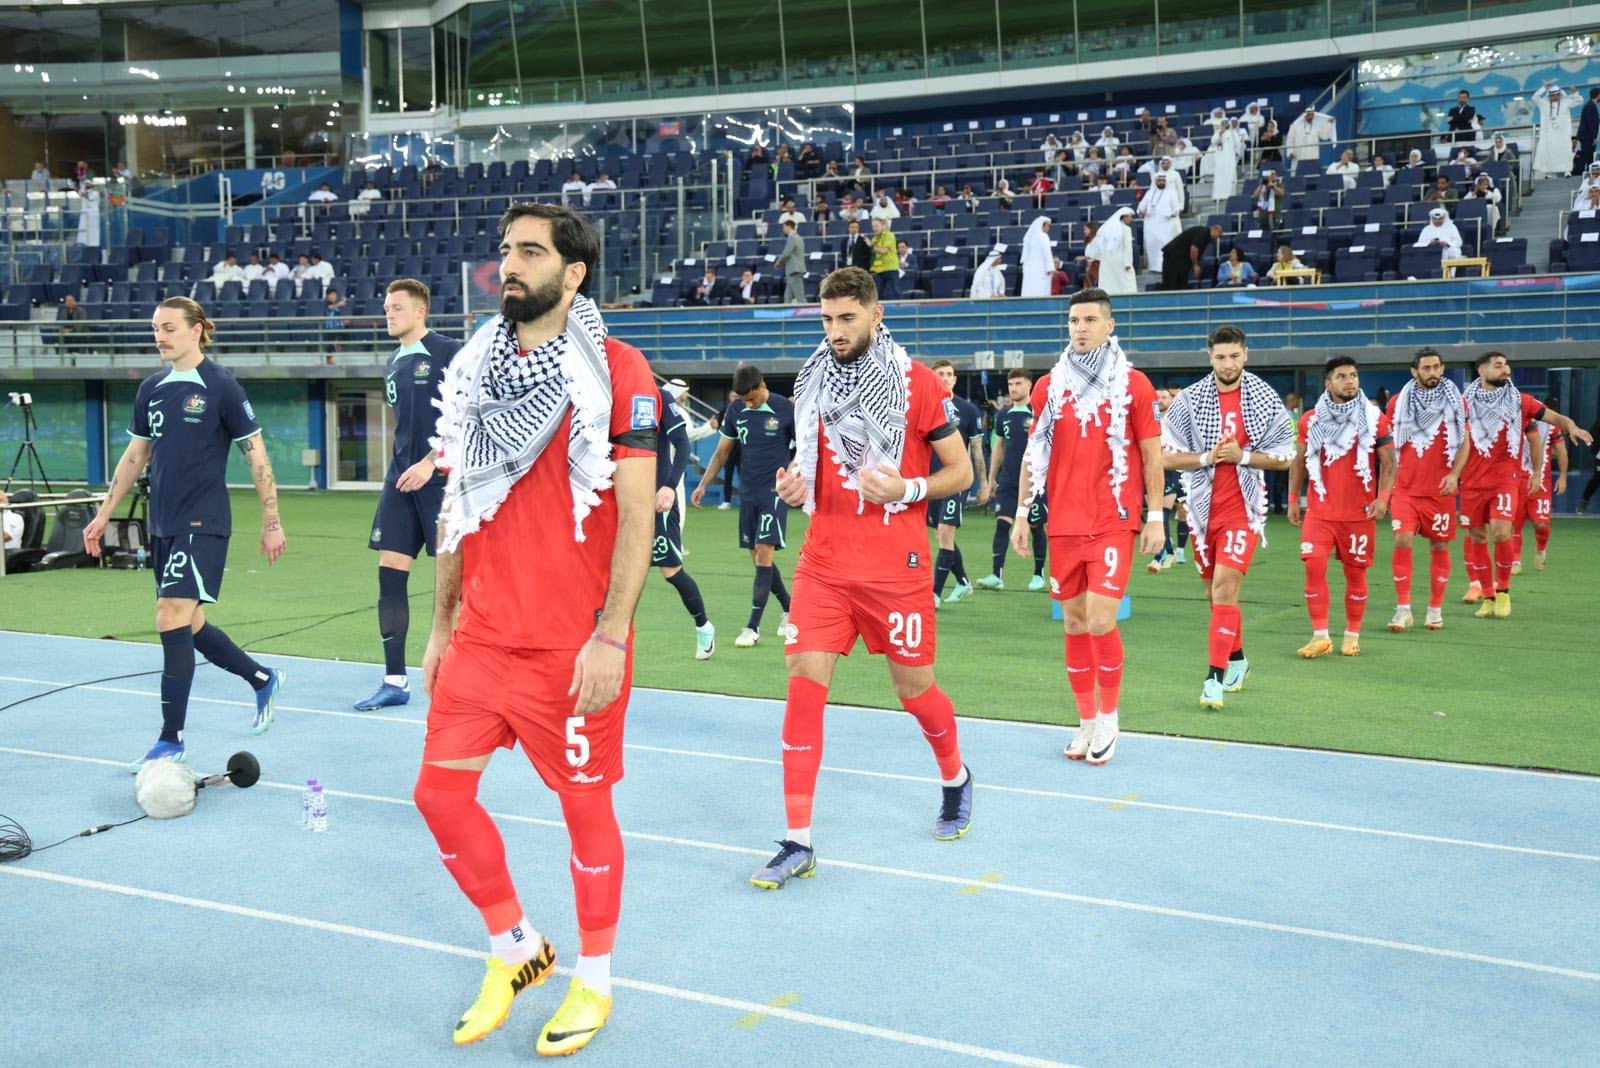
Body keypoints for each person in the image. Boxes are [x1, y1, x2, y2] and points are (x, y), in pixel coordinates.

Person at [415, 203, 655, 1057]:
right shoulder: (475, 367)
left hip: (571, 643)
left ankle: (596, 978)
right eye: (505, 251)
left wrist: (612, 635)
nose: (508, 265)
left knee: (585, 812)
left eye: (529, 252)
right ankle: (516, 947)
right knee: (439, 797)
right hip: (482, 636)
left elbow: (637, 516)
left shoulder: (619, 370)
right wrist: (441, 626)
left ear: (573, 273)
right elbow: (458, 504)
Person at [748, 267, 974, 890]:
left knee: (914, 690)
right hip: (824, 563)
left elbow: (961, 472)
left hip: (896, 570)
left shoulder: (918, 383)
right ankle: (798, 840)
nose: (835, 331)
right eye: (827, 319)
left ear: (876, 315)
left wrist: (908, 489)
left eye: (846, 318)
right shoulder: (813, 381)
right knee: (803, 685)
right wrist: (796, 488)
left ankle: (955, 777)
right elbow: (810, 468)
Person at [82, 297, 287, 768]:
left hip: (203, 522)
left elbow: (256, 456)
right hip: (163, 524)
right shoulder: (150, 389)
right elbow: (135, 456)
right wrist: (105, 512)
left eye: (169, 328)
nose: (160, 337)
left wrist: (272, 522)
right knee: (189, 624)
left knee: (168, 614)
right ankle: (262, 678)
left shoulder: (221, 386)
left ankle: (170, 740)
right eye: (156, 328)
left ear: (196, 330)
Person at [1011, 288, 1162, 763]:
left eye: (1090, 320)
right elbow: (1034, 453)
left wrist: (1155, 516)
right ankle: (1086, 721)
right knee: (1074, 623)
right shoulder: (1048, 386)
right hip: (1064, 522)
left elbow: (1151, 456)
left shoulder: (1134, 385)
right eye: (1074, 320)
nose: (1080, 328)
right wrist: (1022, 512)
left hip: (1114, 519)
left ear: (1109, 326)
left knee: (1100, 619)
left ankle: (1110, 717)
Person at [1159, 326, 1295, 710]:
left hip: (1243, 511)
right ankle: (1237, 658)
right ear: (1210, 358)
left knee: (1223, 590)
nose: (1228, 363)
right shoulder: (1190, 400)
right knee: (1215, 595)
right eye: (1221, 357)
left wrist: (1243, 457)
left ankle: (1213, 679)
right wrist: (1208, 457)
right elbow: (1166, 456)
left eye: (1235, 356)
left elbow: (1286, 457)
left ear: (1245, 354)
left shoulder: (1264, 397)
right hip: (1202, 512)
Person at [354, 278, 462, 711]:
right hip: (400, 481)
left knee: (458, 584)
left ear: (421, 311)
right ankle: (394, 681)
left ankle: (469, 678)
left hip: (442, 480)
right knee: (390, 573)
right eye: (386, 308)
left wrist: (432, 462)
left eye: (397, 307)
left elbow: (469, 416)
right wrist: (408, 466)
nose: (389, 313)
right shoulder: (393, 362)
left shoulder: (449, 352)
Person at [1452, 351, 1591, 617]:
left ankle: (1503, 592)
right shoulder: (1462, 403)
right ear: (1481, 371)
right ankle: (1488, 596)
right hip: (1471, 482)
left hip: (1505, 480)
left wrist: (1571, 427)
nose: (1505, 369)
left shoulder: (1520, 401)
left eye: (1506, 365)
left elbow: (1556, 419)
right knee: (1477, 537)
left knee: (1501, 531)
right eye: (1498, 365)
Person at [1288, 356, 1395, 658]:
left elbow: (1389, 463)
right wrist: (1294, 499)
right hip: (1320, 512)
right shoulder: (1310, 420)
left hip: (1359, 514)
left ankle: (1352, 635)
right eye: (1342, 376)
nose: (1350, 381)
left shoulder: (1374, 418)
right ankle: (1320, 636)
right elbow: (1299, 461)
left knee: (1355, 575)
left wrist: (1383, 498)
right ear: (1328, 383)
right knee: (1314, 566)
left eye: (1354, 375)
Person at [690, 367, 797, 647]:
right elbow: (722, 452)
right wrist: (702, 484)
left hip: (774, 492)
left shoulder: (785, 409)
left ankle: (752, 627)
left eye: (752, 399)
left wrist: (791, 474)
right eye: (743, 400)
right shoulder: (736, 410)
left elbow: (802, 449)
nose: (748, 404)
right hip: (748, 495)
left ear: (763, 385)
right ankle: (790, 608)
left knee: (764, 552)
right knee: (759, 558)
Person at [1382, 348, 1467, 634]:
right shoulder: (1398, 402)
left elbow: (1465, 441)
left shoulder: (1456, 401)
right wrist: (1384, 489)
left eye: (1436, 367)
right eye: (1426, 368)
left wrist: (1455, 474)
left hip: (1440, 490)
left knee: (1439, 546)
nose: (1432, 373)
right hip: (1405, 488)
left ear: (1442, 368)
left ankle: (1435, 609)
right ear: (1414, 371)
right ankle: (1403, 609)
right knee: (1402, 539)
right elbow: (1387, 447)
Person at [652, 382, 716, 659]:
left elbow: (682, 442)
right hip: (623, 499)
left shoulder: (659, 398)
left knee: (671, 571)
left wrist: (669, 485)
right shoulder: (608, 397)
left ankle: (703, 626)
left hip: (658, 496)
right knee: (615, 571)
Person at [977, 368, 1048, 592]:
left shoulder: (1039, 412)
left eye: (1018, 384)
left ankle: (1038, 574)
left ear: (1029, 385)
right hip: (1008, 480)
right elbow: (998, 448)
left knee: (1035, 525)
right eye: (1011, 384)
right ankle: (996, 575)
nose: (1013, 388)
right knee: (1002, 523)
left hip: (1034, 481)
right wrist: (992, 479)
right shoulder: (1003, 415)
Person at [928, 359, 988, 606]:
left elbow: (977, 449)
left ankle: (934, 595)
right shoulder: (924, 406)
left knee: (944, 532)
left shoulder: (968, 410)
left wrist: (983, 484)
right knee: (942, 536)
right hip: (932, 482)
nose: (944, 378)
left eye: (948, 374)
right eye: (939, 374)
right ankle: (963, 581)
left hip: (957, 480)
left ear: (954, 379)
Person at [1512, 407, 1566, 574]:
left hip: (1541, 482)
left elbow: (1562, 451)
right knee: (1514, 524)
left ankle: (1541, 549)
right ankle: (1515, 561)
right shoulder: (1514, 423)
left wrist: (1563, 477)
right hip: (1517, 481)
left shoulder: (1551, 427)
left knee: (1541, 524)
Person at [1084, 207, 1137, 295]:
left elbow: (1097, 245)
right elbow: (1128, 248)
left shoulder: (1106, 228)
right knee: (1127, 287)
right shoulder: (1126, 229)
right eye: (1130, 217)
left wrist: (1092, 256)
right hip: (1121, 263)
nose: (1131, 219)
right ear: (1124, 217)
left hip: (1107, 263)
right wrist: (1128, 263)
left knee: (1109, 287)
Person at [1138, 174, 1183, 273]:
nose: (1161, 182)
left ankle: (1164, 267)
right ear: (1156, 182)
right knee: (1152, 245)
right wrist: (1141, 211)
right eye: (1159, 181)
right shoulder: (1149, 193)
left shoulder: (1171, 192)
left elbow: (1176, 208)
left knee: (1164, 245)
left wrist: (1173, 213)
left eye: (1163, 181)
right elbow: (1141, 207)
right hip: (1151, 224)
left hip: (1165, 224)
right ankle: (1154, 267)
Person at [1532, 83, 1578, 178]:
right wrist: (1544, 87)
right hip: (1548, 135)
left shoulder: (1565, 102)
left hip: (1563, 134)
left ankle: (1567, 171)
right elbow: (1534, 98)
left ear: (1560, 94)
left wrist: (1574, 92)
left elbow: (1579, 100)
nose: (1555, 97)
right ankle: (1549, 173)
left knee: (1565, 151)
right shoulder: (1543, 103)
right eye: (1552, 95)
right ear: (1549, 95)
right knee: (1548, 152)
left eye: (1557, 95)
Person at [1161, 223, 1223, 291]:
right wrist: (1195, 265)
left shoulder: (1207, 238)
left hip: (1182, 262)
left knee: (1181, 287)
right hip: (1173, 258)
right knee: (1170, 286)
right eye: (1219, 235)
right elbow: (1194, 248)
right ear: (1214, 230)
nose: (1218, 238)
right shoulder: (1203, 232)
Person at [1020, 216, 1054, 297]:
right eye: (1048, 226)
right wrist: (1050, 268)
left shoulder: (1030, 238)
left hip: (1029, 270)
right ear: (1042, 226)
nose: (1049, 228)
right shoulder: (1043, 236)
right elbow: (1047, 253)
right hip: (1041, 269)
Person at [1211, 119, 1242, 205]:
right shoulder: (1218, 133)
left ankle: (1230, 195)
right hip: (1220, 159)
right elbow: (1213, 141)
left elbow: (1238, 144)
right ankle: (1218, 195)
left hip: (1230, 159)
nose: (1224, 125)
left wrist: (1237, 153)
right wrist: (1220, 134)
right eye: (1223, 124)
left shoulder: (1233, 133)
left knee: (1230, 175)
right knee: (1220, 176)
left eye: (1225, 123)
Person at [775, 219, 806, 304]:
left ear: (789, 227)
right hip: (793, 270)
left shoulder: (792, 237)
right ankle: (786, 311)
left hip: (794, 270)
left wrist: (778, 262)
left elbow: (786, 253)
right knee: (787, 297)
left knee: (800, 297)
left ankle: (806, 311)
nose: (783, 229)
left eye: (784, 227)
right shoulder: (798, 237)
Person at [869, 216, 899, 299]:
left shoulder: (889, 235)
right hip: (879, 269)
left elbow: (883, 251)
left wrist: (871, 246)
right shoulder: (874, 239)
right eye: (873, 226)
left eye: (876, 226)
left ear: (883, 226)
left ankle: (902, 306)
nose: (874, 229)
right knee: (878, 293)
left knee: (896, 291)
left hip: (891, 268)